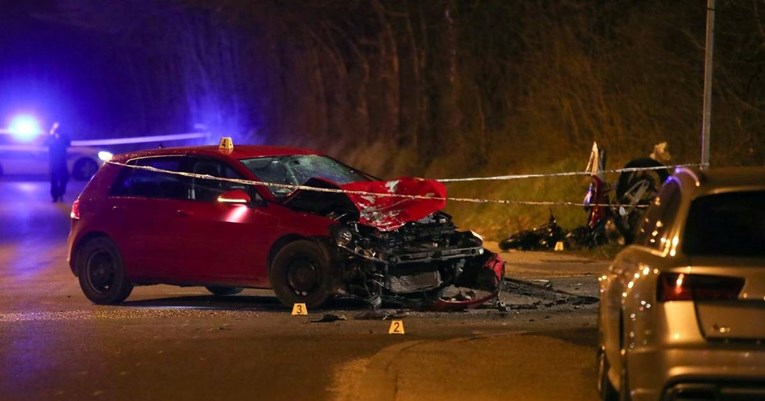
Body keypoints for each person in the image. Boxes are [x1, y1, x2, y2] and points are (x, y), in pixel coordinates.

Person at [45, 122, 70, 203]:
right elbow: (45, 143)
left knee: (64, 178)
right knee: (54, 179)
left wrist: (60, 139)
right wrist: (52, 136)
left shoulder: (64, 136)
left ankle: (61, 193)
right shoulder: (50, 136)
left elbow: (68, 144)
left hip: (62, 160)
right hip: (54, 161)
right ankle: (55, 196)